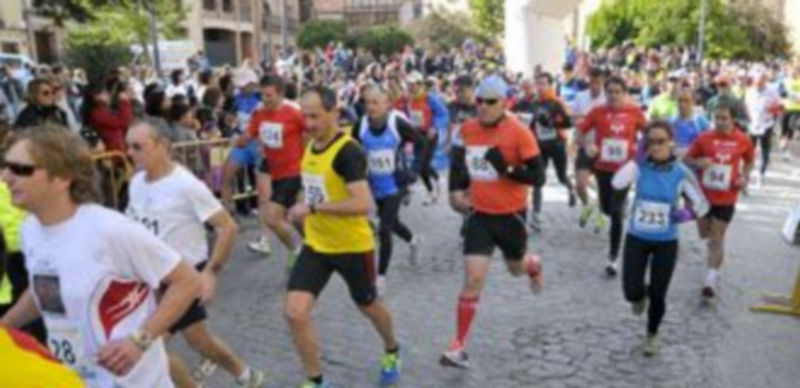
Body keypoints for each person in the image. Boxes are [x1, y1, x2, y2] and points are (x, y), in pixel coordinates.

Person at [0, 125, 200, 387]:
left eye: (21, 169)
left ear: (61, 178)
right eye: (5, 166)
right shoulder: (31, 229)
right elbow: (46, 290)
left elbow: (187, 280)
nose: (5, 177)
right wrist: (5, 325)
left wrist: (140, 340)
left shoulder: (110, 230)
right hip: (77, 380)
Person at [124, 119, 265, 387]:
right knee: (200, 340)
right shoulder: (136, 183)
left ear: (163, 146)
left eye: (138, 147)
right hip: (151, 279)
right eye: (128, 146)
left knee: (148, 350)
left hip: (184, 279)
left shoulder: (186, 185)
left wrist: (210, 272)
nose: (130, 153)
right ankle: (246, 375)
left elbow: (227, 227)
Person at [285, 86, 402, 388]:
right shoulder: (310, 145)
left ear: (334, 113)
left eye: (315, 116)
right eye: (304, 116)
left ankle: (391, 348)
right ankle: (316, 380)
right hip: (317, 245)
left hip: (352, 247)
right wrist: (301, 204)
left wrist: (311, 207)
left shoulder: (349, 152)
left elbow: (362, 204)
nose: (308, 124)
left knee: (369, 306)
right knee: (295, 312)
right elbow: (313, 185)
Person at [441, 75, 544, 368]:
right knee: (473, 279)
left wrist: (508, 168)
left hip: (511, 216)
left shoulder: (520, 133)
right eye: (480, 101)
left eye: (491, 102)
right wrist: (455, 191)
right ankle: (458, 345)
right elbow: (460, 164)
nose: (483, 107)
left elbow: (538, 177)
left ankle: (532, 264)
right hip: (480, 216)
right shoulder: (469, 129)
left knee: (515, 269)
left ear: (504, 103)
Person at [612, 120, 709, 356]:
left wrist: (687, 213)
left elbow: (702, 205)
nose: (656, 146)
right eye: (651, 142)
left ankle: (652, 335)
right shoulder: (640, 166)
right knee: (631, 292)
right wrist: (636, 158)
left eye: (661, 141)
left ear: (671, 142)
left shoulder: (681, 172)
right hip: (637, 236)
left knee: (659, 293)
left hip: (666, 241)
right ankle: (638, 295)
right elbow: (617, 182)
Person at [352, 85, 425, 295]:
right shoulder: (361, 125)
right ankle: (413, 240)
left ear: (386, 104)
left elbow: (421, 142)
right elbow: (351, 150)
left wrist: (414, 170)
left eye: (376, 102)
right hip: (375, 184)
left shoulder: (396, 123)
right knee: (392, 223)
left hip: (396, 183)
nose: (371, 107)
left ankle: (380, 277)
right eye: (367, 102)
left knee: (384, 229)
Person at [684, 102, 755, 300]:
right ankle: (713, 259)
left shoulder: (743, 140)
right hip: (704, 196)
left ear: (733, 119)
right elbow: (687, 159)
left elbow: (749, 161)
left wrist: (744, 177)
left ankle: (711, 279)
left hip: (727, 196)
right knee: (704, 233)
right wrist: (699, 162)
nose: (721, 122)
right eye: (717, 118)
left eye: (724, 118)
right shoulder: (705, 138)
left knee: (717, 237)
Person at [578, 76, 647, 276]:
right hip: (602, 168)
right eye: (610, 92)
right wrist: (587, 145)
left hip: (625, 169)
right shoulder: (598, 111)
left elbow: (649, 133)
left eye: (618, 91)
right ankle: (614, 207)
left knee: (615, 213)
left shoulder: (634, 111)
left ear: (624, 93)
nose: (614, 95)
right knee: (607, 209)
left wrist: (638, 151)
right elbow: (580, 131)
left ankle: (613, 257)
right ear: (605, 93)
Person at [237, 75, 306, 268]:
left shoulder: (293, 112)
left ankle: (297, 251)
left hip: (294, 171)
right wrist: (242, 140)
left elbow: (310, 131)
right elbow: (250, 133)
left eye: (269, 95)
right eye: (262, 95)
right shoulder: (260, 113)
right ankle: (317, 245)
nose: (265, 99)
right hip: (275, 173)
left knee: (272, 217)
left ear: (281, 94)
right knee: (295, 216)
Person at [515, 72, 575, 229]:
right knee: (538, 180)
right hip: (539, 146)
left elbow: (569, 123)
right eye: (538, 83)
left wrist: (552, 123)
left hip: (556, 144)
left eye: (543, 83)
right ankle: (536, 215)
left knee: (561, 177)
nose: (540, 87)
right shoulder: (532, 103)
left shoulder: (557, 102)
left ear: (550, 85)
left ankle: (570, 187)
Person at [396, 71, 449, 205]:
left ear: (419, 84)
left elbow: (443, 114)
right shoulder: (406, 98)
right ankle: (432, 188)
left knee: (423, 165)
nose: (410, 87)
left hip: (430, 134)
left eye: (413, 84)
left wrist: (434, 126)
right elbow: (398, 110)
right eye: (408, 84)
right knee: (420, 165)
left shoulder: (429, 97)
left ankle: (433, 187)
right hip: (416, 134)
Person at [571, 67, 607, 230]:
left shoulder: (608, 98)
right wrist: (575, 140)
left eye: (598, 83)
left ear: (603, 82)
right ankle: (587, 205)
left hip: (602, 147)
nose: (595, 86)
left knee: (602, 186)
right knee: (580, 184)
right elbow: (574, 119)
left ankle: (601, 217)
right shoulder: (580, 97)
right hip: (585, 145)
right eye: (592, 82)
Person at [744, 73, 782, 188]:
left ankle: (761, 175)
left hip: (766, 124)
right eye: (756, 83)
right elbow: (745, 105)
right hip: (752, 125)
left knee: (765, 152)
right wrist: (748, 119)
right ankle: (747, 176)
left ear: (765, 81)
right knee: (749, 152)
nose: (758, 86)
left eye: (760, 83)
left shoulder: (772, 91)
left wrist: (774, 109)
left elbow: (779, 107)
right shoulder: (750, 91)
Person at [83, 82, 135, 153]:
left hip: (120, 148)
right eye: (104, 93)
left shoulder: (101, 109)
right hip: (117, 153)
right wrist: (124, 101)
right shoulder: (97, 114)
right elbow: (123, 122)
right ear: (95, 96)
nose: (107, 94)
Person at [670, 89, 710, 157]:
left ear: (693, 102)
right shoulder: (670, 121)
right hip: (675, 161)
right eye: (680, 101)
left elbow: (708, 144)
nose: (683, 104)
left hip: (694, 161)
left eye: (686, 101)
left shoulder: (701, 121)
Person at [779, 65, 800, 158]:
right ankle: (783, 141)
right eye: (791, 71)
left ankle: (787, 149)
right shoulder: (785, 81)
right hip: (785, 108)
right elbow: (781, 93)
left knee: (791, 126)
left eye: (795, 71)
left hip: (796, 109)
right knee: (783, 128)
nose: (793, 73)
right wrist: (791, 95)